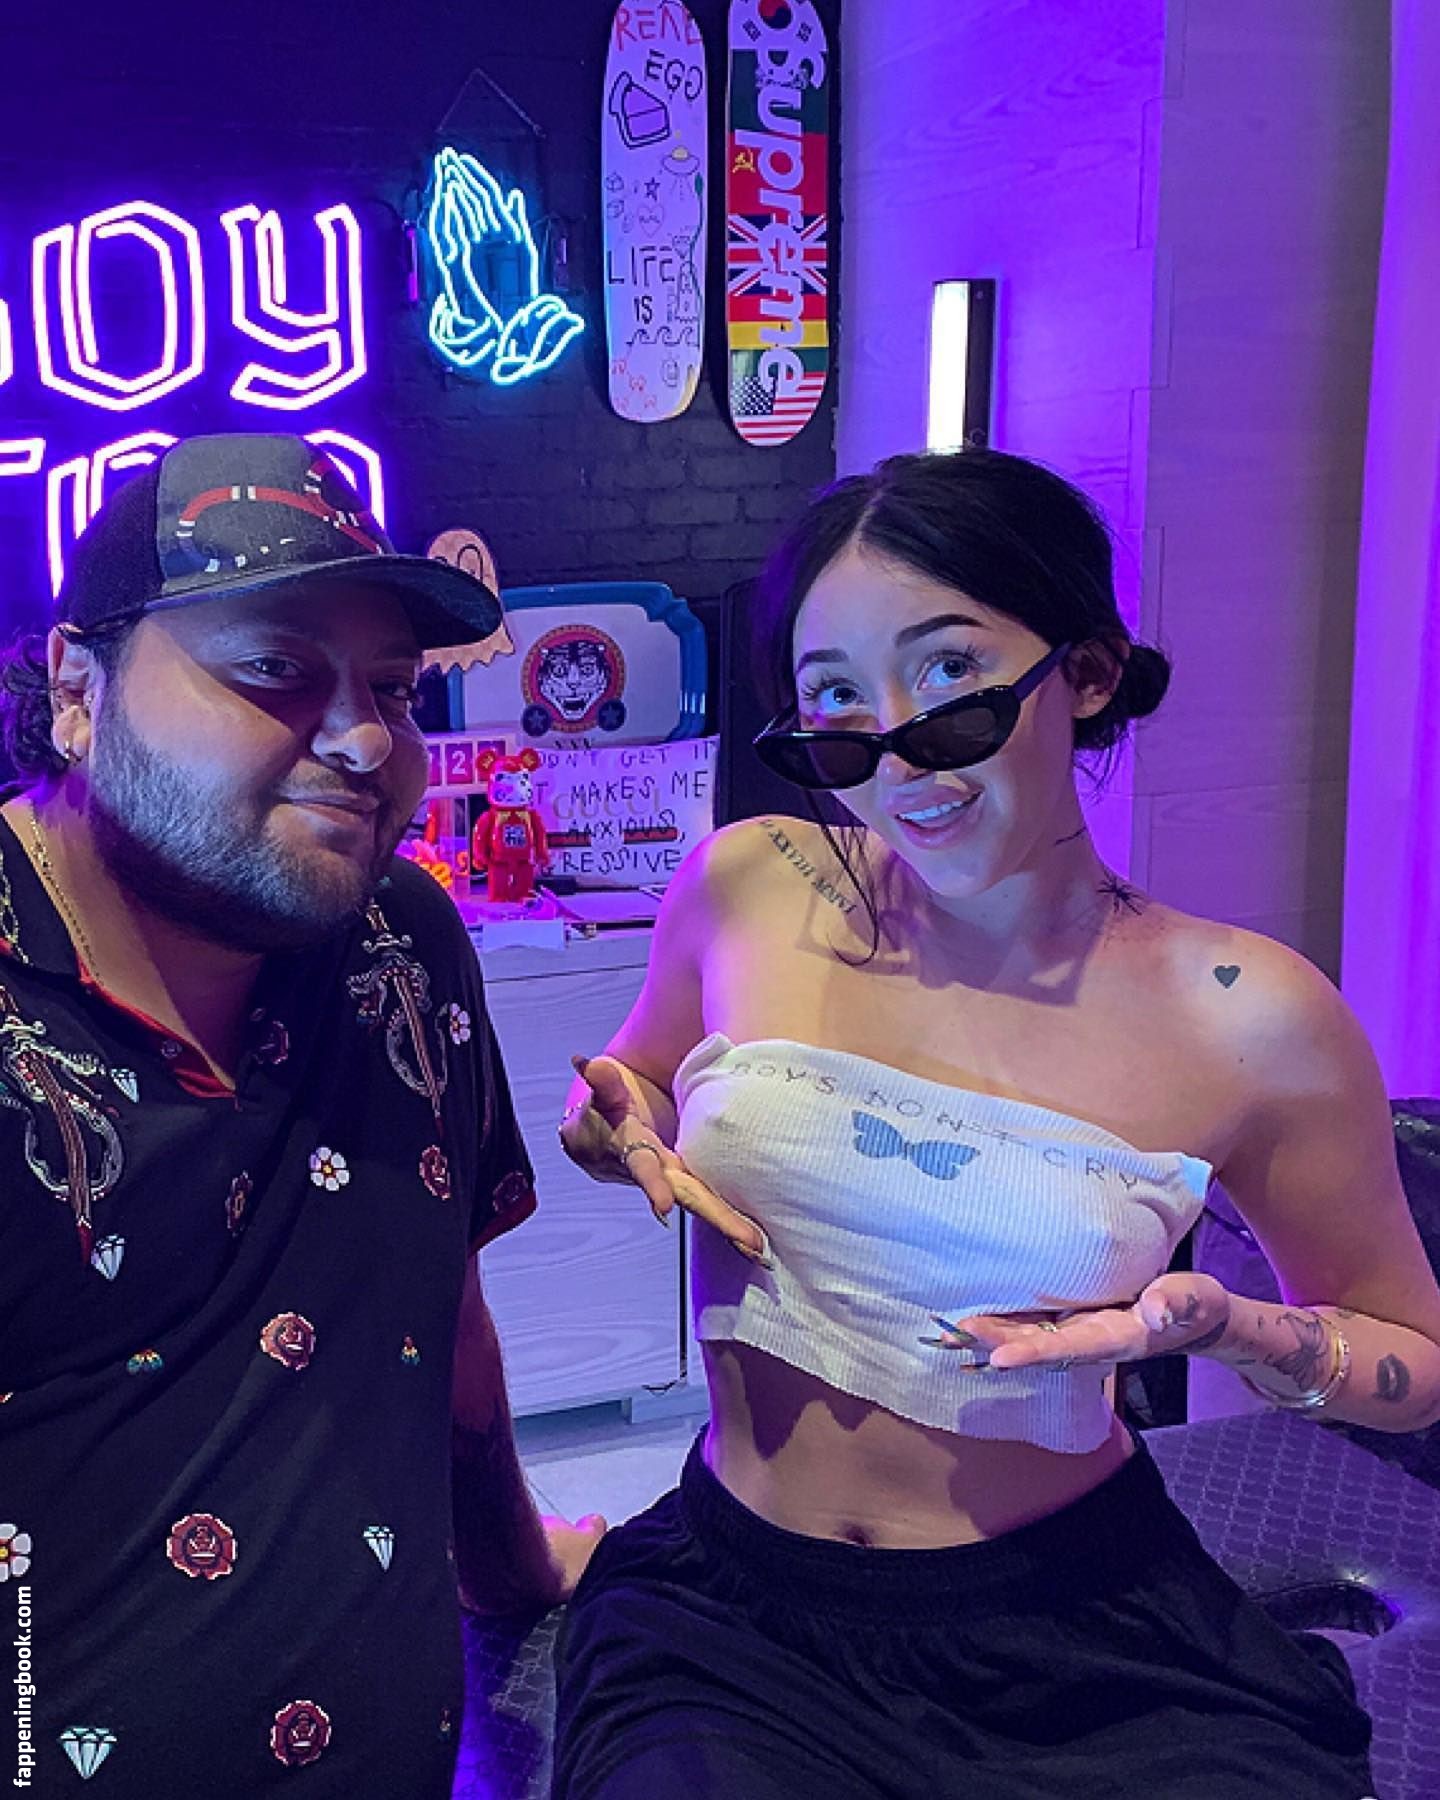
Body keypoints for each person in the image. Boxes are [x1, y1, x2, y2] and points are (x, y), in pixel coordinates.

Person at [552, 449, 1440, 1800]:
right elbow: (641, 1076)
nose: (899, 756)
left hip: (1081, 1629)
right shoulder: (752, 883)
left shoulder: (1247, 1013)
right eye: (837, 702)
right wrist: (613, 1114)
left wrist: (1225, 1328)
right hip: (736, 1620)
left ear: (1085, 674)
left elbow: (1414, 1359)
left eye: (950, 676)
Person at [0, 433, 602, 1798]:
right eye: (275, 670)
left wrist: (516, 1574)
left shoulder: (401, 942)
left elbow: (436, 1310)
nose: (368, 738)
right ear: (79, 690)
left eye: (391, 686)